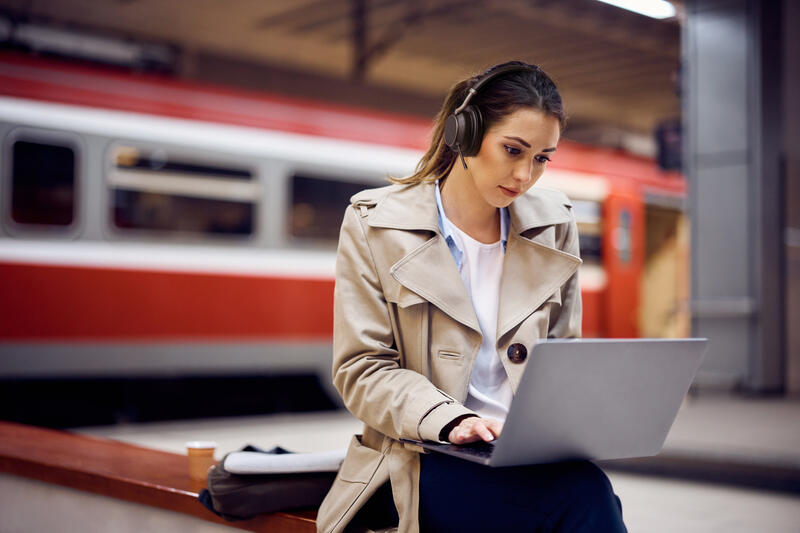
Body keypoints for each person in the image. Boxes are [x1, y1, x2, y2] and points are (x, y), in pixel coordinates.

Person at [316, 61, 627, 533]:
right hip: (422, 457)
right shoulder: (373, 223)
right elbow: (362, 370)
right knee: (582, 498)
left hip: (525, 456)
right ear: (463, 134)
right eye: (512, 150)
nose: (524, 174)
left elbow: (562, 357)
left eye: (542, 158)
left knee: (585, 488)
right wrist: (450, 421)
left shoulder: (554, 223)